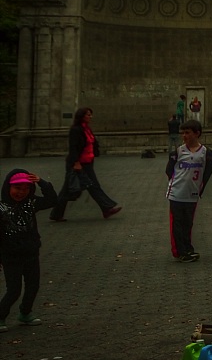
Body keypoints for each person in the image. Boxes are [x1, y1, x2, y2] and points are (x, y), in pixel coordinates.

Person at [0, 169, 57, 331]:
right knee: (14, 290)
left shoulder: (31, 203)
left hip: (31, 253)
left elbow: (53, 200)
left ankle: (25, 313)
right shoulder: (1, 207)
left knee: (33, 286)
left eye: (25, 189)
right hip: (10, 256)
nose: (21, 193)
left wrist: (42, 183)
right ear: (8, 188)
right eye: (17, 189)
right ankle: (1, 316)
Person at [49, 107, 121, 222]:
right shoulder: (75, 130)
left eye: (91, 114)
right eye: (88, 114)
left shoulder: (86, 129)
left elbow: (91, 143)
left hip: (87, 163)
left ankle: (106, 208)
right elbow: (73, 147)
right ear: (82, 116)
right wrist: (76, 163)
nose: (90, 116)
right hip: (78, 164)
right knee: (70, 189)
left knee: (92, 186)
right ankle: (106, 208)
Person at [165, 119, 212, 262]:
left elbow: (207, 172)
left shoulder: (206, 153)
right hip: (176, 193)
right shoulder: (178, 151)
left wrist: (199, 188)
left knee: (188, 223)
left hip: (192, 195)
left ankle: (188, 248)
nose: (184, 136)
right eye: (183, 133)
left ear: (197, 134)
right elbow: (169, 170)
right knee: (177, 224)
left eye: (187, 133)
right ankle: (180, 252)